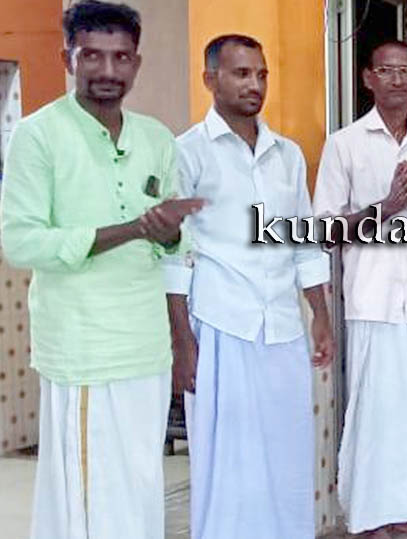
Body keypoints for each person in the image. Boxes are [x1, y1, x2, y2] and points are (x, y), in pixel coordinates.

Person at [0, 2, 202, 537]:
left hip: (145, 348)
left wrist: (168, 232)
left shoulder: (156, 138)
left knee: (138, 489)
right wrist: (131, 229)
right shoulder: (38, 135)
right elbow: (20, 240)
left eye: (121, 57)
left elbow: (175, 244)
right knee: (92, 499)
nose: (108, 70)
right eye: (92, 56)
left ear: (137, 63)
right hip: (85, 351)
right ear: (66, 58)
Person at [165, 34, 333, 539]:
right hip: (221, 325)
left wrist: (321, 316)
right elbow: (175, 255)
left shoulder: (288, 155)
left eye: (261, 74)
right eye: (241, 73)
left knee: (286, 451)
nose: (254, 84)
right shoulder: (187, 153)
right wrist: (181, 342)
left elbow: (303, 240)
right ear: (210, 79)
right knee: (227, 460)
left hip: (282, 325)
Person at [313, 40, 407, 539]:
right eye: (387, 70)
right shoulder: (345, 144)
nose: (398, 79)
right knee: (376, 411)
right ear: (368, 78)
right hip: (372, 297)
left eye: (406, 71)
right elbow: (325, 230)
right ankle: (372, 515)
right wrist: (387, 206)